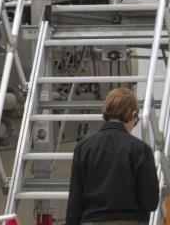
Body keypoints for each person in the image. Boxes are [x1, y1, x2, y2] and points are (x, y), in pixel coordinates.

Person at [66, 87, 159, 225]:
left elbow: (75, 201)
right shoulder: (141, 149)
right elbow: (150, 202)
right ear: (133, 114)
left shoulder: (84, 148)